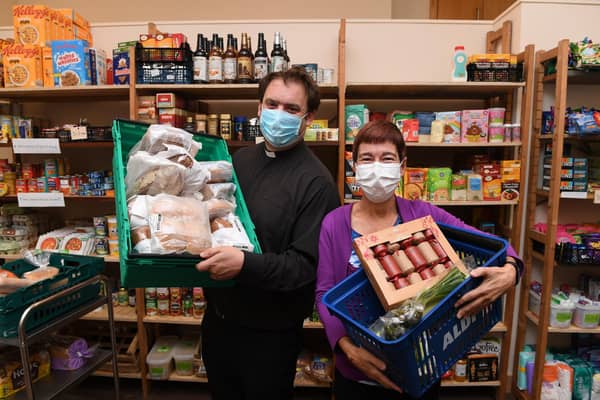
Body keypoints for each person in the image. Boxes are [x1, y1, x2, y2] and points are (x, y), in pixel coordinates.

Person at [315, 120, 523, 400]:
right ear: (355, 166)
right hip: (357, 376)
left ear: (402, 167)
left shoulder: (425, 215)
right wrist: (348, 350)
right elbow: (324, 292)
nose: (376, 167)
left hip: (420, 367)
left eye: (386, 158)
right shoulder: (334, 222)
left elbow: (499, 248)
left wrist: (511, 271)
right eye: (367, 158)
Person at [196, 67, 340, 400]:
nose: (279, 115)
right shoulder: (240, 161)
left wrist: (245, 265)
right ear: (259, 108)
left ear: (308, 118)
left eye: (291, 109)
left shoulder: (316, 183)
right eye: (272, 104)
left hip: (270, 335)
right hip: (217, 322)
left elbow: (304, 267)